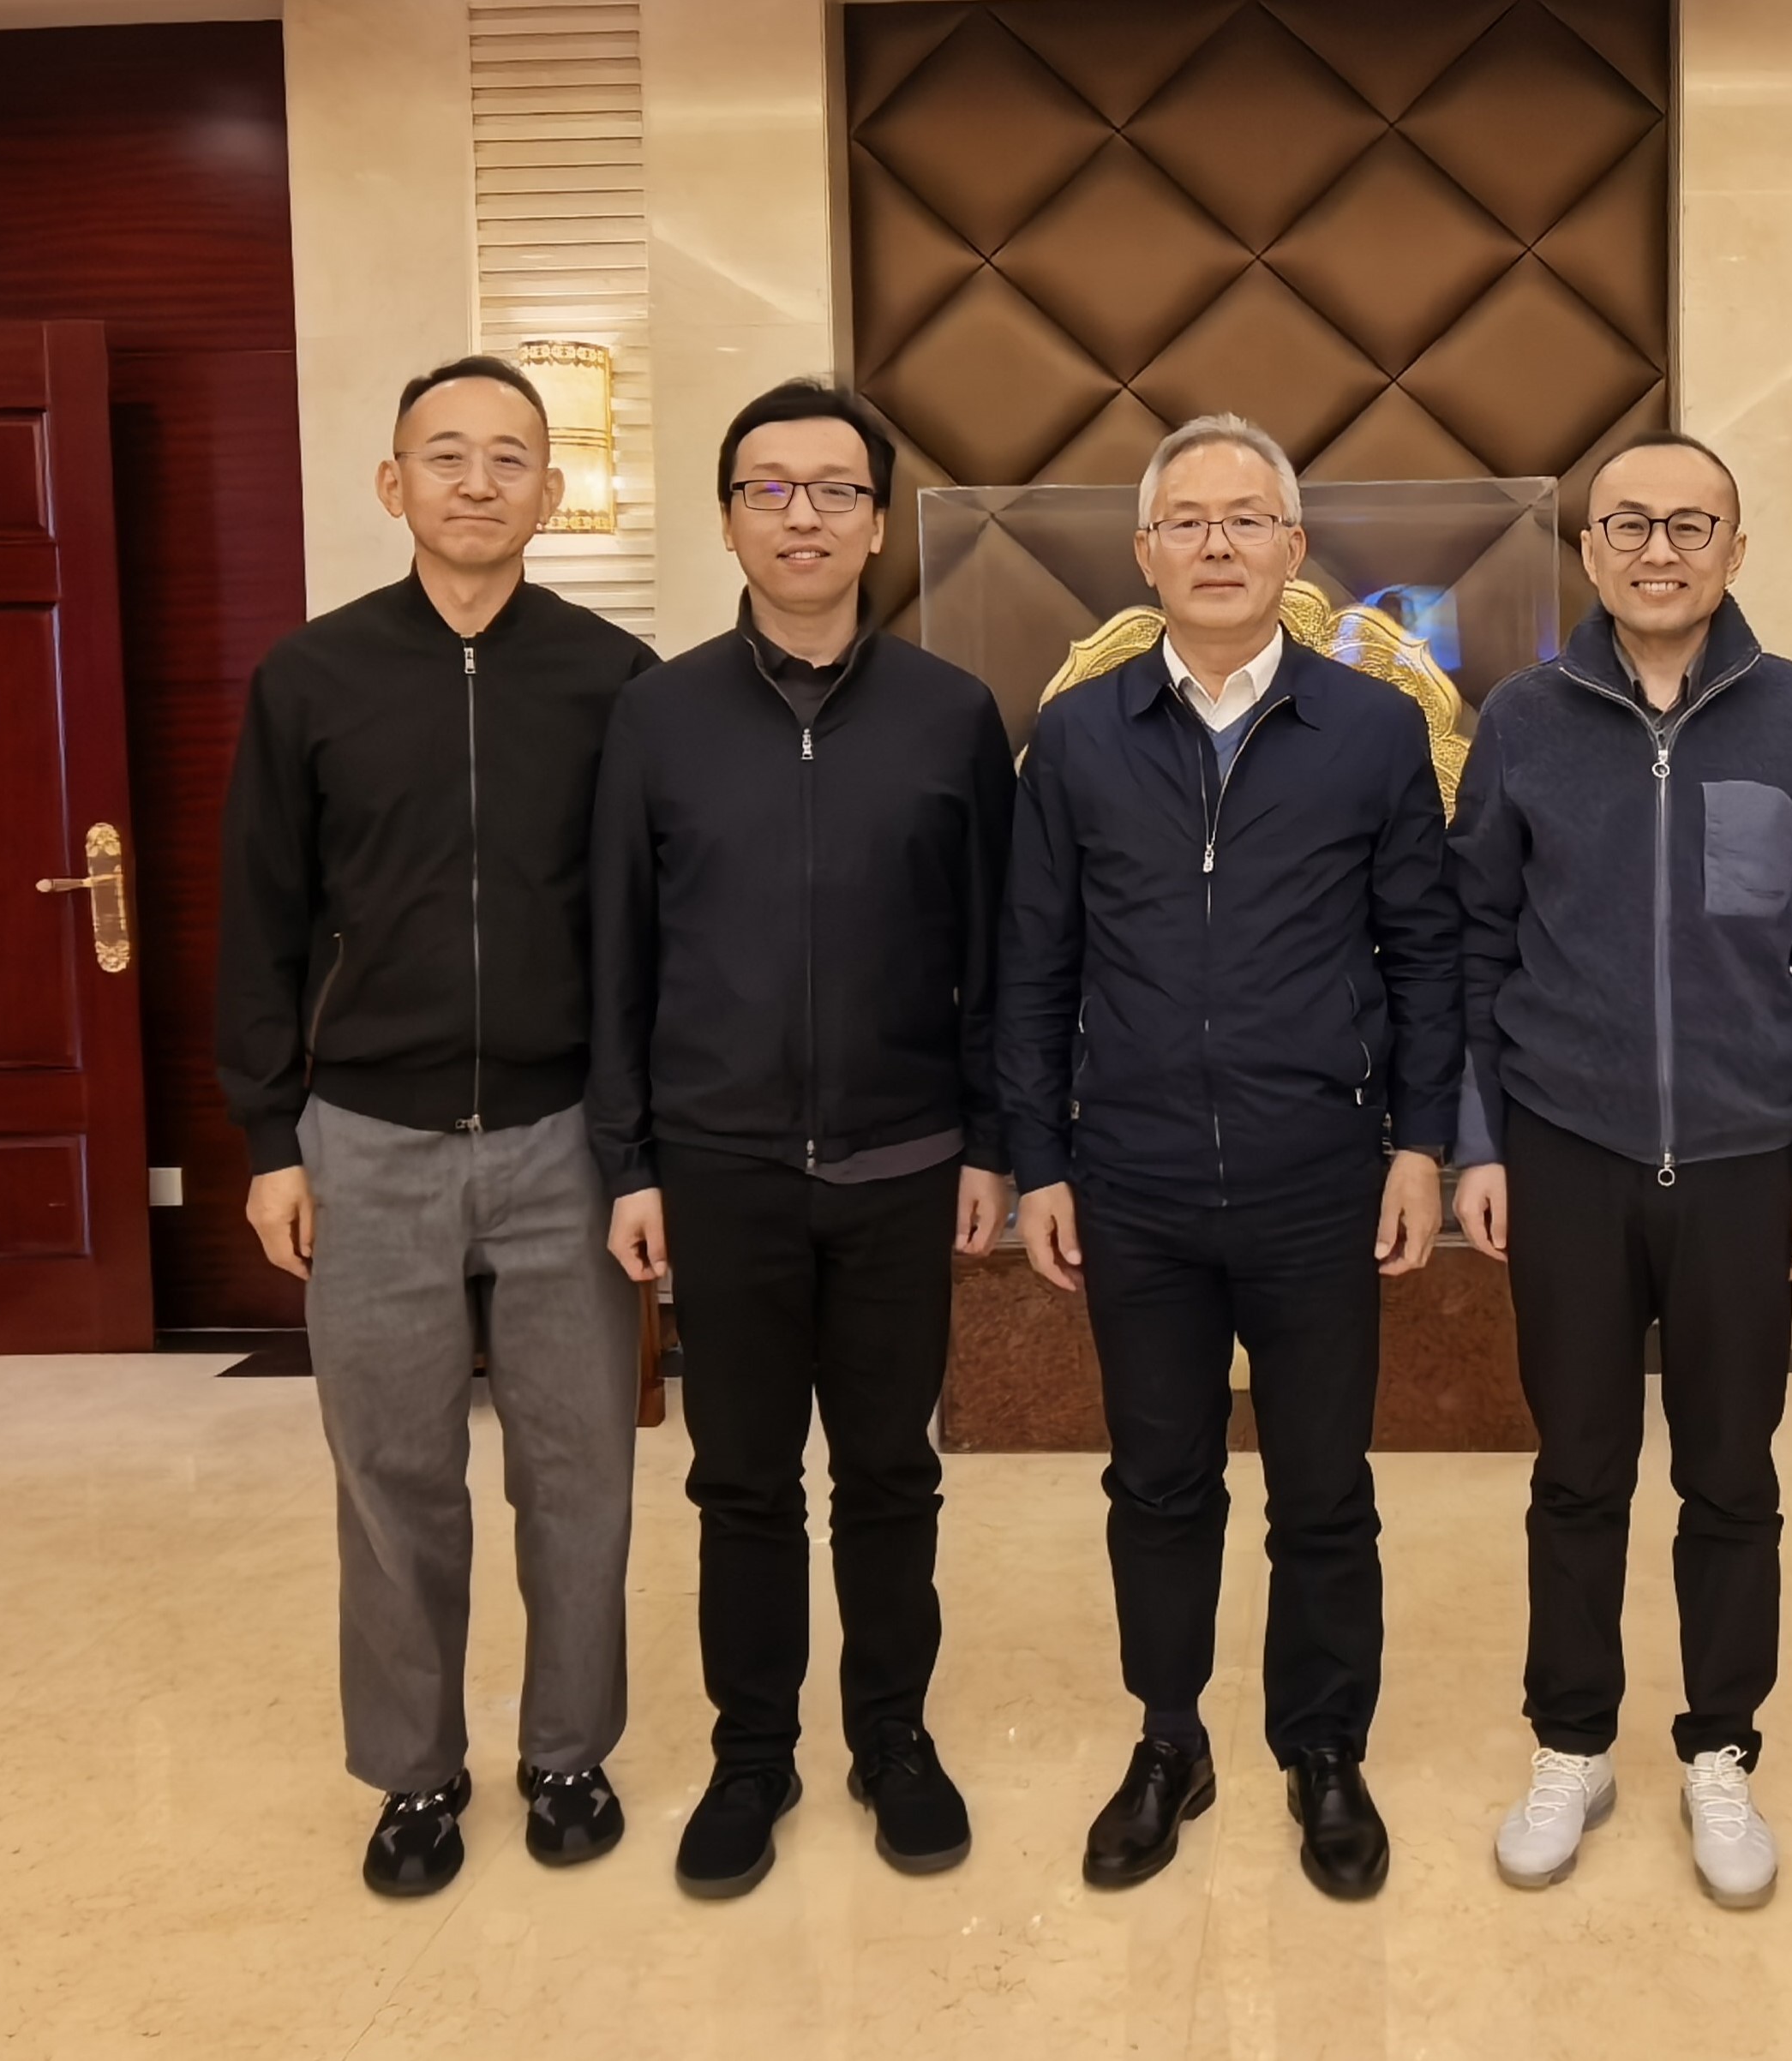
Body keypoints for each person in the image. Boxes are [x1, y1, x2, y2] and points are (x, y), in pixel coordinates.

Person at [995, 413, 1459, 1902]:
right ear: (1143, 553)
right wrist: (1041, 1160)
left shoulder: (1372, 729)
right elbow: (1033, 966)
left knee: (1324, 1488)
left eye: (1246, 518)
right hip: (1130, 1181)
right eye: (1186, 521)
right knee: (1158, 1483)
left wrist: (1423, 1142)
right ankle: (1170, 1738)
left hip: (1319, 1175)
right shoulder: (1079, 736)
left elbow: (1425, 954)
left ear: (1293, 548)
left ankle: (1322, 1748)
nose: (1216, 543)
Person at [217, 355, 656, 1896]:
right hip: (367, 1137)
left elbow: (648, 933)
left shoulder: (617, 680)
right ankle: (414, 1774)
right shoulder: (312, 678)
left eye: (510, 457)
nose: (479, 482)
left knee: (579, 1472)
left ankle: (569, 1750)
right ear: (392, 484)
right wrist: (269, 1138)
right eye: (447, 455)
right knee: (392, 1474)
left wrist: (644, 1146)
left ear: (553, 492)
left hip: (565, 1138)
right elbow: (260, 920)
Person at [1447, 433, 1792, 1909]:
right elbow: (1474, 946)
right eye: (1628, 523)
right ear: (1588, 549)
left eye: (1691, 524)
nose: (1658, 548)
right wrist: (1479, 1139)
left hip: (1745, 1155)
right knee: (1577, 1466)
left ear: (1736, 550)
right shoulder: (1523, 718)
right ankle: (1572, 1741)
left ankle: (1722, 1748)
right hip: (1565, 1149)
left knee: (1731, 1472)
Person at [590, 380, 1015, 1898]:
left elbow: (997, 953)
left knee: (892, 1472)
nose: (803, 517)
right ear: (727, 521)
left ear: (878, 523)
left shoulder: (952, 715)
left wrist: (991, 1143)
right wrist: (630, 1161)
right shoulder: (657, 715)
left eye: (835, 490)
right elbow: (620, 957)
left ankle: (892, 1737)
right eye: (768, 489)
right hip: (723, 1169)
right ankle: (751, 1754)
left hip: (906, 1165)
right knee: (743, 1479)